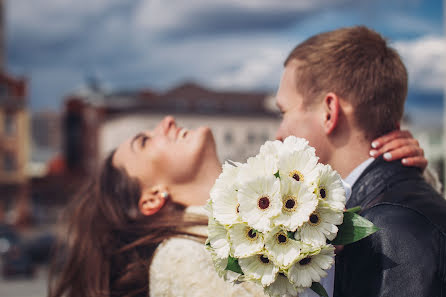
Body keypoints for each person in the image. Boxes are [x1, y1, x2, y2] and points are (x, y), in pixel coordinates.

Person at [48, 112, 428, 297]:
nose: (165, 121)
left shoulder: (285, 188)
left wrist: (398, 173)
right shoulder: (179, 257)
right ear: (151, 197)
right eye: (145, 142)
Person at [274, 25, 446, 297]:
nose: (278, 133)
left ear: (329, 111)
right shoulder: (378, 212)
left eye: (283, 111)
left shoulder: (390, 226)